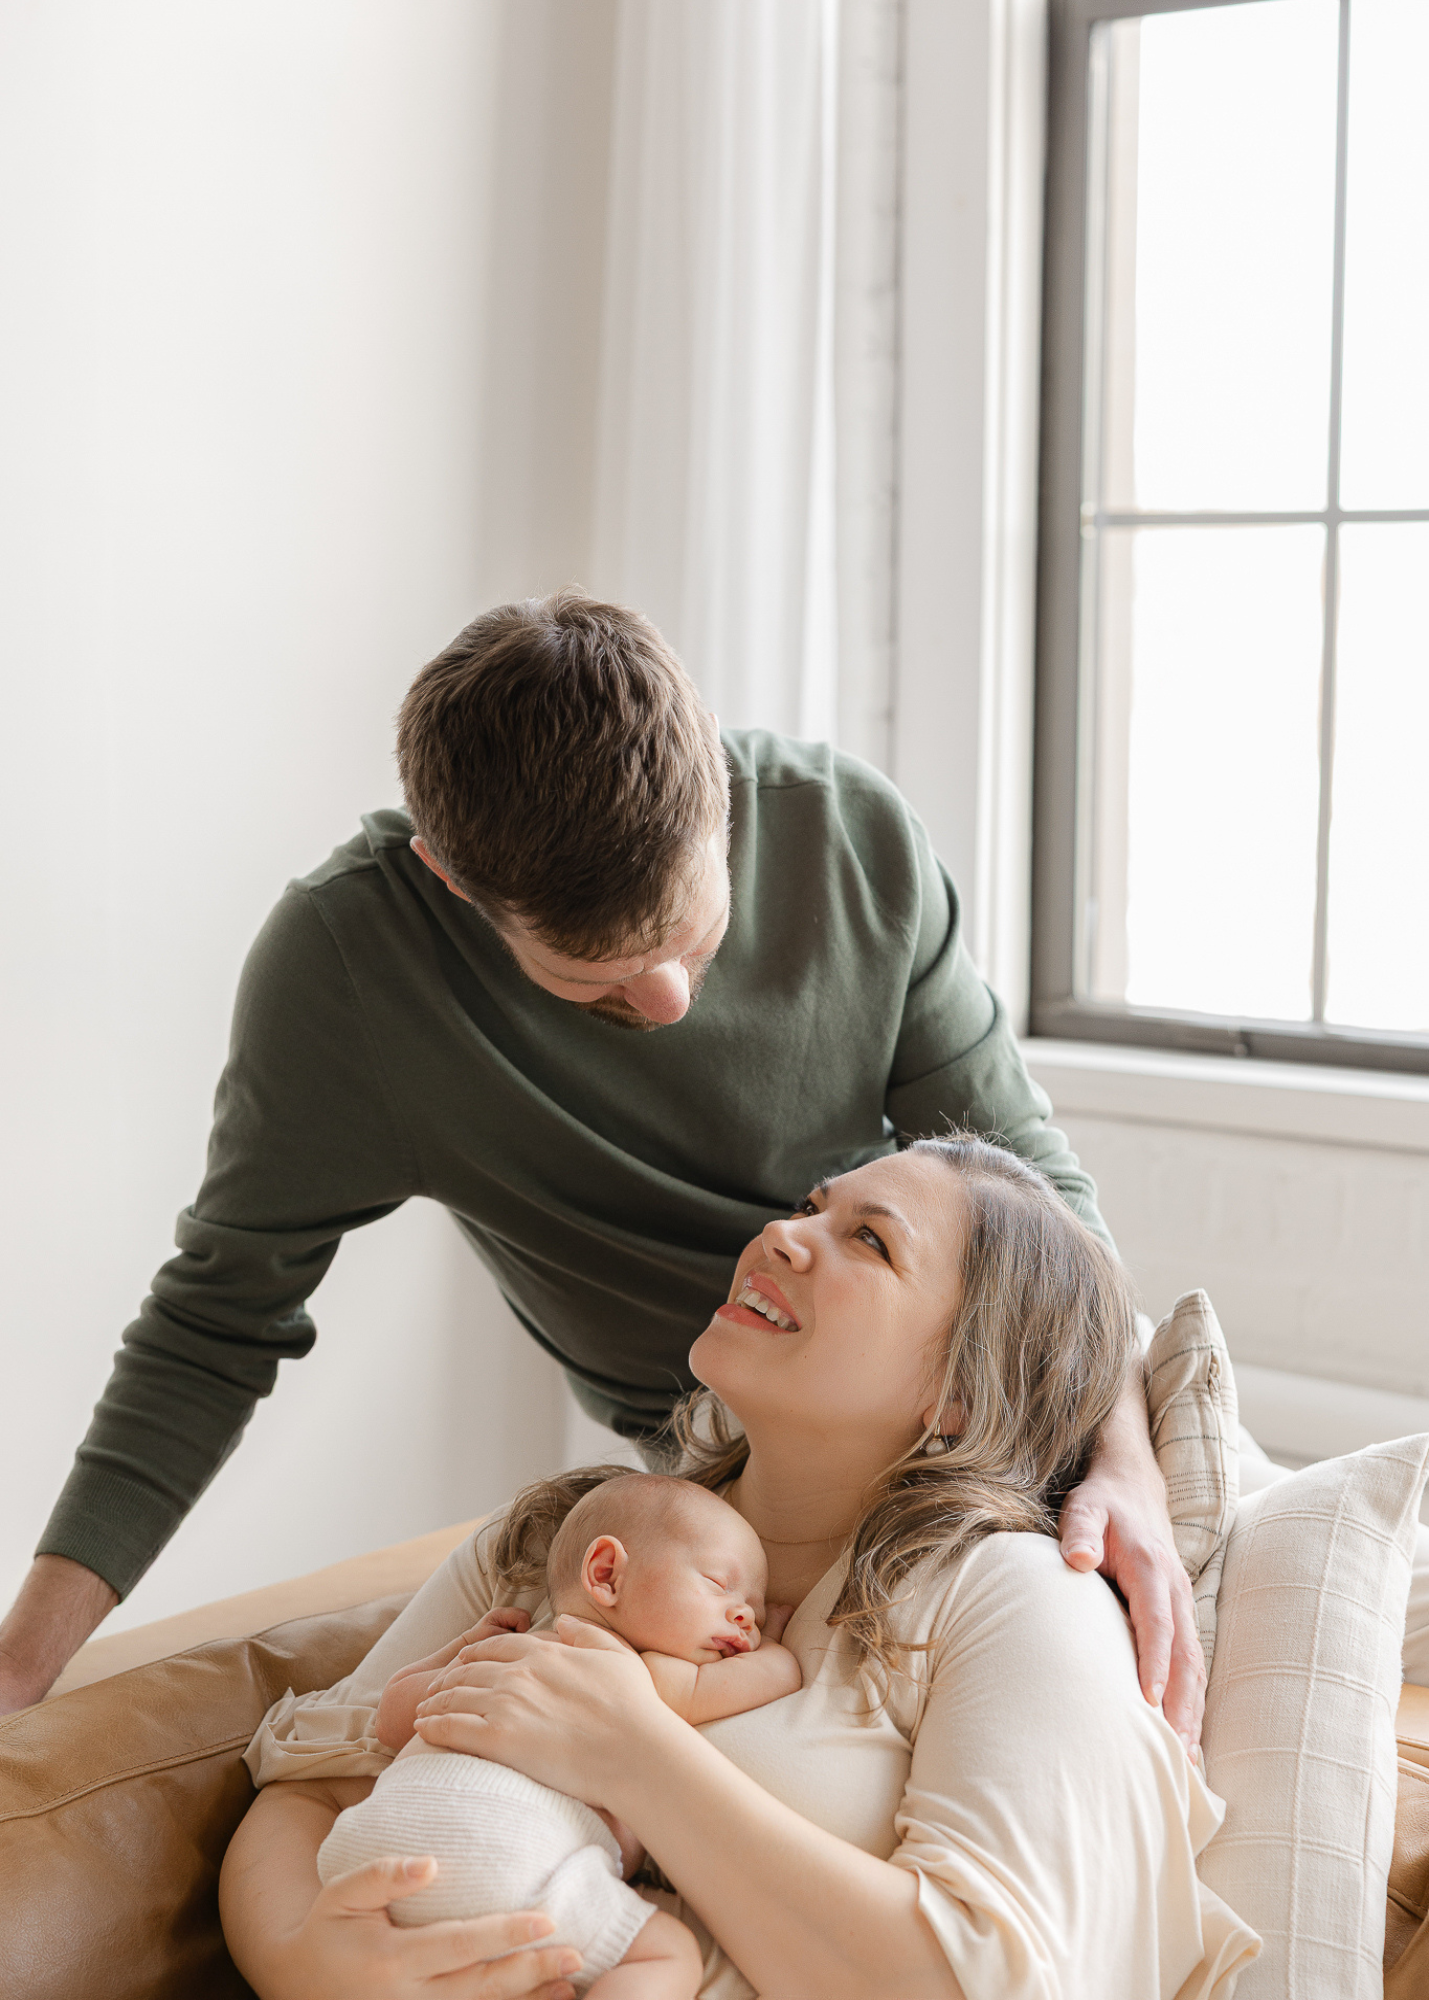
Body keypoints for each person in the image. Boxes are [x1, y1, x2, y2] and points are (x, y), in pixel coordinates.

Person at [0, 592, 1202, 1742]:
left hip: (990, 1407)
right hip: (739, 1493)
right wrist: (19, 1672)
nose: (671, 999)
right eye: (599, 982)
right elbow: (211, 1327)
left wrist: (1126, 1461)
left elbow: (1036, 1190)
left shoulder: (850, 836)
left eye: (694, 936)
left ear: (715, 795)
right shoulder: (348, 981)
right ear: (455, 880)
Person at [220, 1138, 1258, 2000]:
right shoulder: (569, 1537)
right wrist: (299, 1958)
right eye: (811, 1202)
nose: (781, 1233)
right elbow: (309, 1782)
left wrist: (632, 1752)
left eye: (868, 1239)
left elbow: (990, 1975)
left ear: (957, 1391)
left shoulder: (1015, 1599)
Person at [314, 1476, 802, 1997]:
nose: (744, 1614)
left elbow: (391, 1718)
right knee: (669, 1953)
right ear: (606, 1573)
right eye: (718, 1583)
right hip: (509, 1863)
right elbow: (782, 1676)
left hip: (362, 1858)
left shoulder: (501, 1660)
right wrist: (771, 1643)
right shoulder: (635, 1676)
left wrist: (461, 1648)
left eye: (753, 1604)